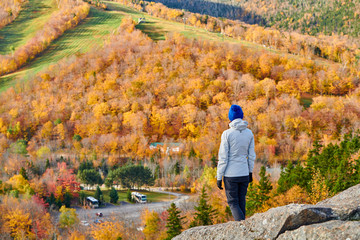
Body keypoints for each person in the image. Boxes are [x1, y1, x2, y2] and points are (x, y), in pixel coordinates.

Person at [216, 104, 255, 221]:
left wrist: (219, 177)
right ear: (241, 116)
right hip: (244, 173)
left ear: (230, 117)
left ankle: (243, 229)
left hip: (230, 175)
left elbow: (223, 158)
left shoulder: (227, 134)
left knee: (233, 202)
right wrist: (250, 172)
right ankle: (244, 227)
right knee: (241, 200)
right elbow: (251, 156)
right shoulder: (249, 133)